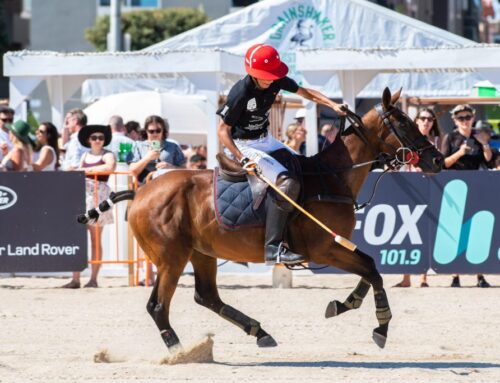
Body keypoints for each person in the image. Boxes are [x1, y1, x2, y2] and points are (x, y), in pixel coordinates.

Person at [216, 43, 346, 265]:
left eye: (272, 76)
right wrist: (242, 157)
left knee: (304, 166)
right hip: (243, 144)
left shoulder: (276, 80)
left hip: (265, 140)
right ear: (252, 73)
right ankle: (272, 248)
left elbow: (306, 92)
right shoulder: (241, 93)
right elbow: (222, 131)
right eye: (265, 76)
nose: (270, 80)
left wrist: (332, 105)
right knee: (288, 184)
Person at [441, 104, 493, 288]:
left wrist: (484, 143)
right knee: (456, 231)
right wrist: (460, 152)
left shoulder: (479, 136)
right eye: (461, 118)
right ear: (455, 120)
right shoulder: (451, 137)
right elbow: (443, 163)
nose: (465, 121)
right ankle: (455, 274)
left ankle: (479, 275)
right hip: (455, 188)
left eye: (467, 117)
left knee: (476, 230)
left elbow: (489, 160)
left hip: (476, 187)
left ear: (472, 118)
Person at [62, 125, 116, 289]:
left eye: (100, 137)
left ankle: (93, 279)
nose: (98, 140)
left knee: (95, 240)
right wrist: (77, 170)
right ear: (88, 140)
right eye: (94, 137)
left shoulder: (108, 154)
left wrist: (85, 170)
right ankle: (75, 278)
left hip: (98, 196)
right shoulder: (85, 154)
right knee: (77, 238)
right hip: (82, 195)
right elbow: (78, 170)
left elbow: (110, 167)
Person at [393, 108, 440, 288]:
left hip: (429, 189)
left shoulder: (436, 141)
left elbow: (441, 166)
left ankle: (423, 277)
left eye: (430, 118)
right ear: (416, 121)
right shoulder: (405, 142)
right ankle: (406, 277)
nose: (427, 121)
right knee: (408, 234)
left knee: (425, 234)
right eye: (423, 118)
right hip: (409, 189)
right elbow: (397, 164)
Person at [129, 115, 186, 182]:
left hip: (167, 187)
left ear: (163, 130)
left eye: (158, 130)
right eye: (151, 131)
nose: (155, 134)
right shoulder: (138, 146)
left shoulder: (173, 146)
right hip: (144, 188)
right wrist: (147, 158)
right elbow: (132, 171)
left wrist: (171, 167)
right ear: (146, 131)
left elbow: (184, 169)